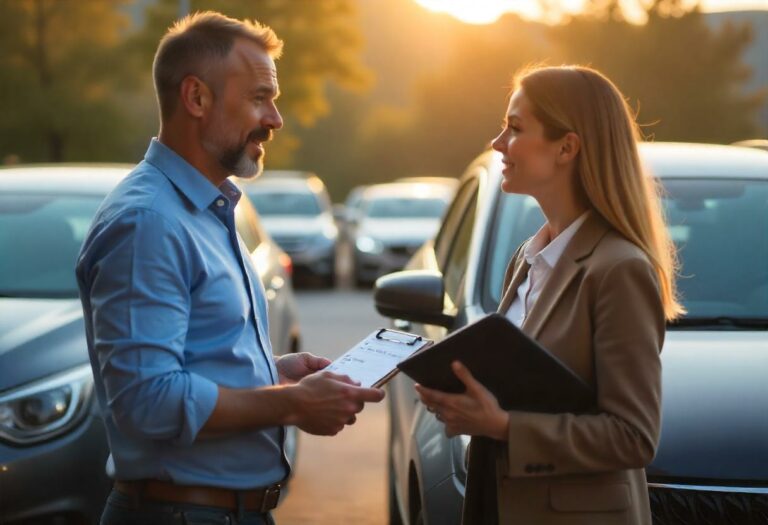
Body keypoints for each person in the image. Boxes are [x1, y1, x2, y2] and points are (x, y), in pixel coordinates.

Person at [76, 11, 384, 525]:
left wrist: (274, 376)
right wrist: (290, 406)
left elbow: (195, 361)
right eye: (260, 97)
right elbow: (148, 401)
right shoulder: (149, 221)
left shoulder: (206, 208)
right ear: (196, 98)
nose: (276, 119)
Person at [415, 65, 683, 525]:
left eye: (515, 128)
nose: (497, 143)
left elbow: (633, 437)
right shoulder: (527, 256)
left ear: (567, 147)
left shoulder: (619, 269)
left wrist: (502, 426)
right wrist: (462, 397)